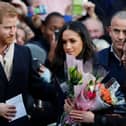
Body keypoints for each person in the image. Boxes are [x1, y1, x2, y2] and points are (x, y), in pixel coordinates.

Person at [51, 21, 126, 126]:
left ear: (83, 41)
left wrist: (93, 116)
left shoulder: (99, 71)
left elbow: (121, 107)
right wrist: (66, 109)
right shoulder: (60, 71)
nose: (67, 46)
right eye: (64, 42)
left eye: (72, 41)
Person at [0, 2, 64, 126]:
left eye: (15, 27)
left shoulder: (24, 52)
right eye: (8, 27)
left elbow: (36, 86)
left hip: (19, 123)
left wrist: (64, 92)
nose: (13, 32)